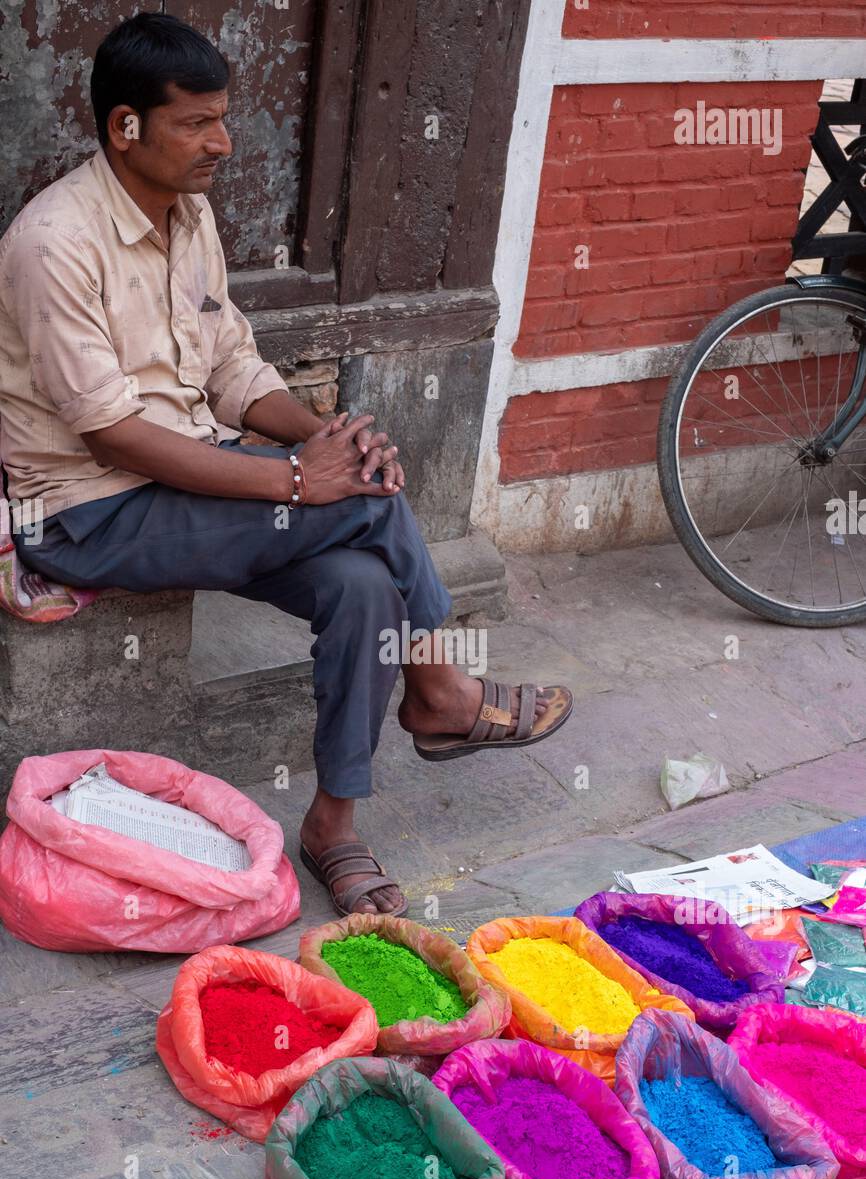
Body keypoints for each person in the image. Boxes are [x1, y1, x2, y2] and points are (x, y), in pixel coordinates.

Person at [0, 13, 572, 916]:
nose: (222, 143)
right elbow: (108, 431)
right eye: (196, 122)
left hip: (189, 475)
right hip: (91, 510)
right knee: (370, 504)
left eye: (224, 118)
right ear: (125, 126)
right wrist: (300, 481)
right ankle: (443, 690)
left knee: (360, 583)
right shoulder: (52, 243)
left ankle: (333, 828)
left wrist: (319, 438)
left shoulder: (191, 217)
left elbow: (231, 367)